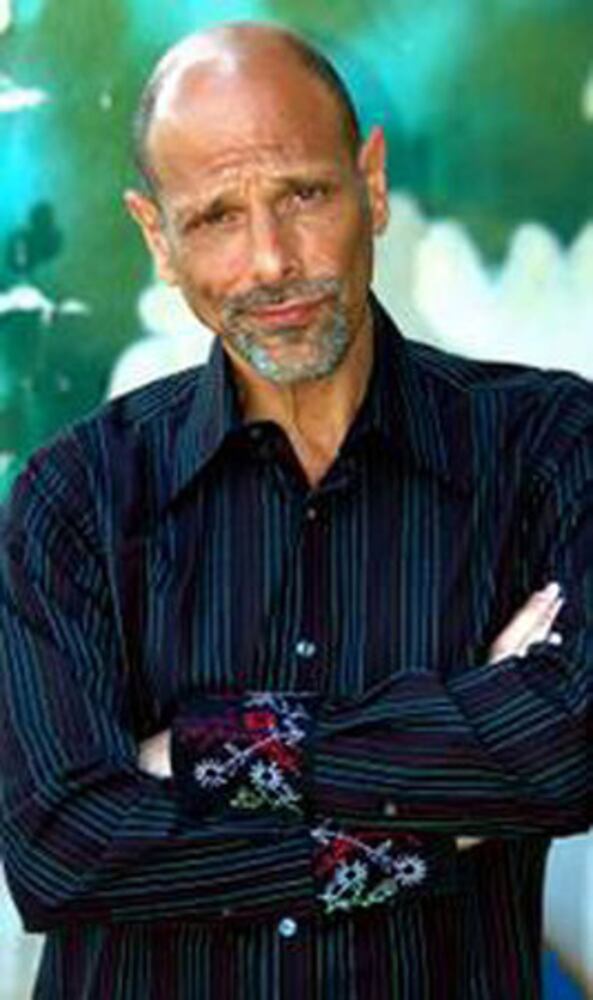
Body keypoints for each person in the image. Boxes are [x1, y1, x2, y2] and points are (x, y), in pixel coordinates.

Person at [0, 21, 591, 1000]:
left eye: (303, 195)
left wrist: (219, 745)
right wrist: (424, 830)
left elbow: (571, 744)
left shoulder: (549, 445)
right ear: (157, 237)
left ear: (371, 183)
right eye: (215, 217)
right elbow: (65, 851)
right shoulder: (77, 495)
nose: (269, 260)